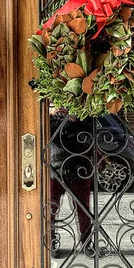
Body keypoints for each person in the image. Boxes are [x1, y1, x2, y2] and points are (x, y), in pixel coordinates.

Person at [48, 106, 93, 258]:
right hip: (54, 168)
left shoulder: (82, 111)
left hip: (79, 167)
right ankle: (51, 240)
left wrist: (75, 119)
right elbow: (39, 132)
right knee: (51, 207)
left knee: (83, 208)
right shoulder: (46, 114)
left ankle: (87, 242)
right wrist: (50, 114)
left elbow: (91, 133)